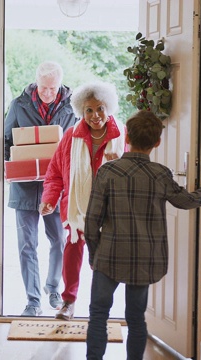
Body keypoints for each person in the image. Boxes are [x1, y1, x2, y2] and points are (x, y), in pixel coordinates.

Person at [84, 110, 201, 360]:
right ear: (157, 142)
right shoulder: (160, 174)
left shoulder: (108, 172)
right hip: (145, 257)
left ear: (127, 137)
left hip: (109, 254)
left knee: (98, 313)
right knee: (136, 317)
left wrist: (94, 253)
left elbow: (92, 220)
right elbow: (185, 201)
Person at [40, 81, 126, 321]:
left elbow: (134, 171)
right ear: (81, 112)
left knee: (103, 258)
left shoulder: (122, 134)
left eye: (99, 108)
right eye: (89, 110)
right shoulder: (71, 135)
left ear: (108, 107)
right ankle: (68, 302)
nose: (95, 115)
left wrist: (119, 162)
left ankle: (100, 307)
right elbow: (55, 172)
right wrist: (49, 199)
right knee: (73, 249)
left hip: (110, 210)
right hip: (78, 208)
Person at [4, 61, 77, 317]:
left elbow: (75, 146)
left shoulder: (71, 107)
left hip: (56, 187)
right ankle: (32, 301)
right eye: (44, 88)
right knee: (27, 246)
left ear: (60, 85)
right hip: (24, 188)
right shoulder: (19, 105)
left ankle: (52, 287)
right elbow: (5, 140)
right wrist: (11, 168)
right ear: (36, 82)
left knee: (59, 240)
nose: (48, 93)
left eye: (52, 88)